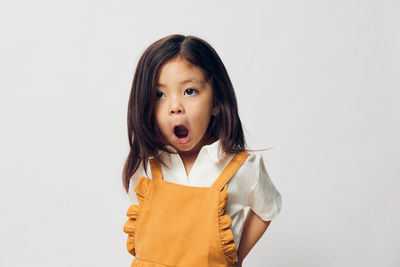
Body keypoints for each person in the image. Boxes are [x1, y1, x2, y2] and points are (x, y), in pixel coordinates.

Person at [122, 34, 282, 267]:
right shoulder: (146, 168)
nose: (175, 107)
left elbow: (268, 208)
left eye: (189, 91)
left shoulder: (240, 168)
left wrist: (236, 257)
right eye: (160, 95)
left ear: (216, 101)